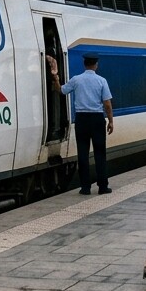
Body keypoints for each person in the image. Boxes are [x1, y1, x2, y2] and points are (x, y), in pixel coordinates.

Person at [60, 54, 114, 194]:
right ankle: (103, 186)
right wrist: (110, 121)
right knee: (100, 153)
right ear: (96, 65)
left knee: (82, 153)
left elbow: (61, 90)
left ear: (84, 64)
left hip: (81, 119)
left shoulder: (76, 80)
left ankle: (85, 187)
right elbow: (107, 104)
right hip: (97, 119)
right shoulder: (102, 81)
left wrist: (54, 77)